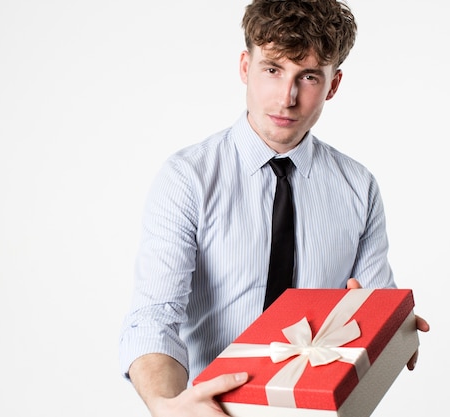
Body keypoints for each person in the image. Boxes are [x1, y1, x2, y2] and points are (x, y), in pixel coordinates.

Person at [120, 0, 429, 415]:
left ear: (333, 85)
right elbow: (154, 317)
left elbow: (374, 312)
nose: (287, 97)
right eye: (272, 69)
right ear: (245, 67)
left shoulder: (358, 187)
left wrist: (395, 330)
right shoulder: (187, 178)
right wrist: (168, 405)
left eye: (309, 77)